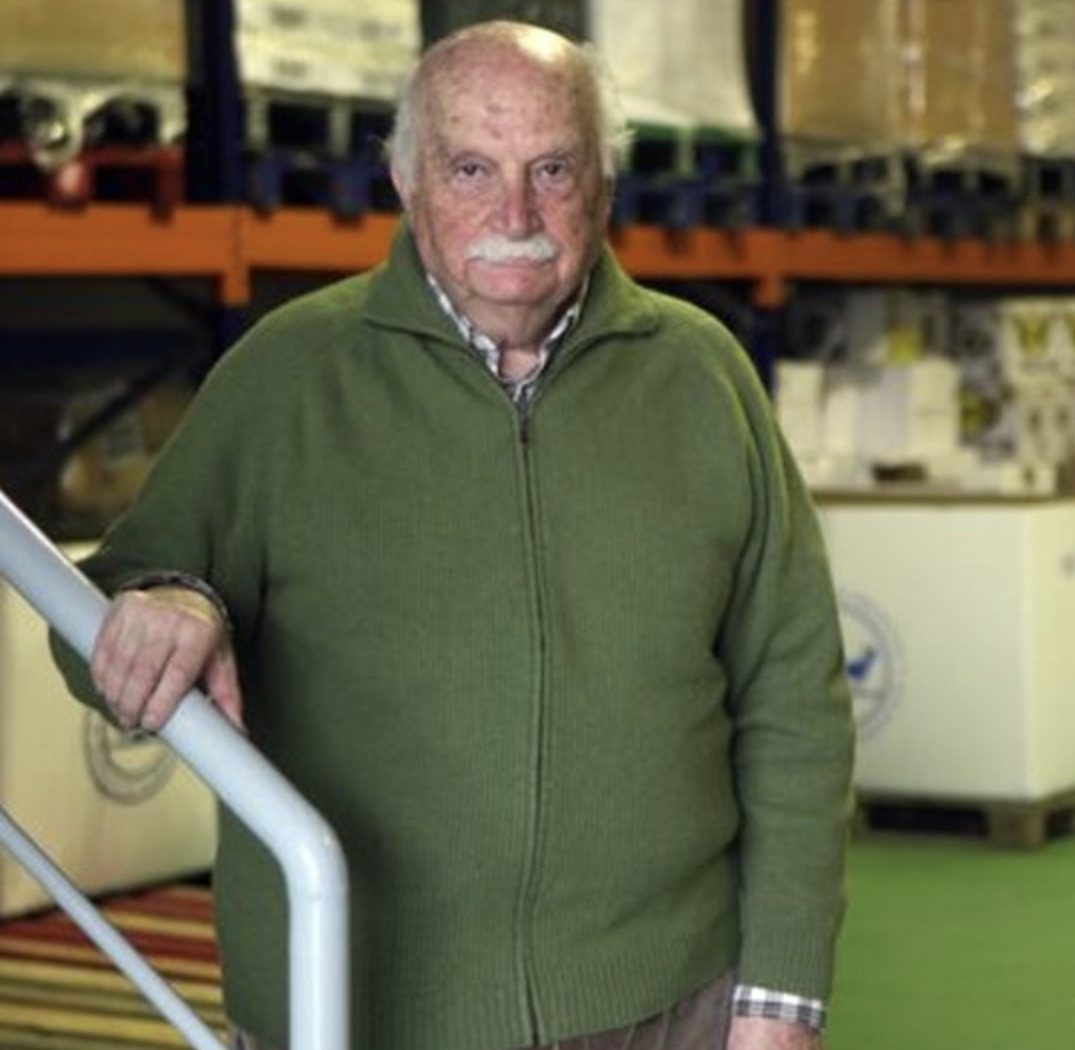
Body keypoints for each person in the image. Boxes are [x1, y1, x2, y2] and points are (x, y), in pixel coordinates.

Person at [51, 20, 855, 1050]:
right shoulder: (287, 374)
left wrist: (781, 994)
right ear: (405, 179)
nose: (514, 213)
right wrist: (171, 597)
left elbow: (794, 699)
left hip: (665, 1007)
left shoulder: (704, 378)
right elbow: (99, 617)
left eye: (552, 169)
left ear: (604, 183)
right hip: (353, 1008)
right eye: (470, 168)